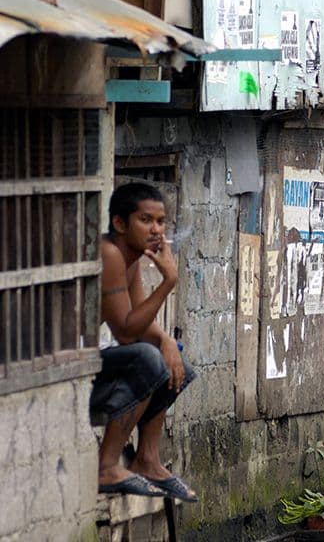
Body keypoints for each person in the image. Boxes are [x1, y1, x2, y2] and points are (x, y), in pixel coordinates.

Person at [92, 183, 198, 501]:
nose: (156, 230)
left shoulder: (130, 258)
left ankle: (147, 459)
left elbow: (140, 324)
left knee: (179, 364)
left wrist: (166, 340)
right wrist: (168, 283)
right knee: (148, 360)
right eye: (146, 220)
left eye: (161, 221)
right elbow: (126, 332)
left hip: (94, 365)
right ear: (120, 224)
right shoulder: (109, 253)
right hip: (70, 368)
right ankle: (108, 465)